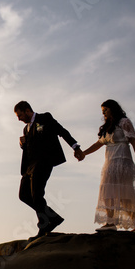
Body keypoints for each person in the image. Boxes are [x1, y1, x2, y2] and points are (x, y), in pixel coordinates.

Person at [14, 101, 84, 242]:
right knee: (24, 195)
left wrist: (75, 147)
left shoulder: (44, 118)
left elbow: (61, 131)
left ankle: (44, 226)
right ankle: (53, 218)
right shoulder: (25, 129)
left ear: (28, 110)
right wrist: (23, 144)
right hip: (29, 166)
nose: (19, 119)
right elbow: (30, 147)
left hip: (44, 162)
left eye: (20, 115)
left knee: (37, 195)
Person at [81, 99, 135, 233]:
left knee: (125, 196)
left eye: (106, 110)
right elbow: (99, 143)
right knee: (108, 194)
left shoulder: (124, 122)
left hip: (123, 161)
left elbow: (134, 141)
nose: (104, 113)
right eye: (102, 111)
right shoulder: (106, 127)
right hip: (110, 163)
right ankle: (111, 223)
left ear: (113, 109)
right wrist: (84, 153)